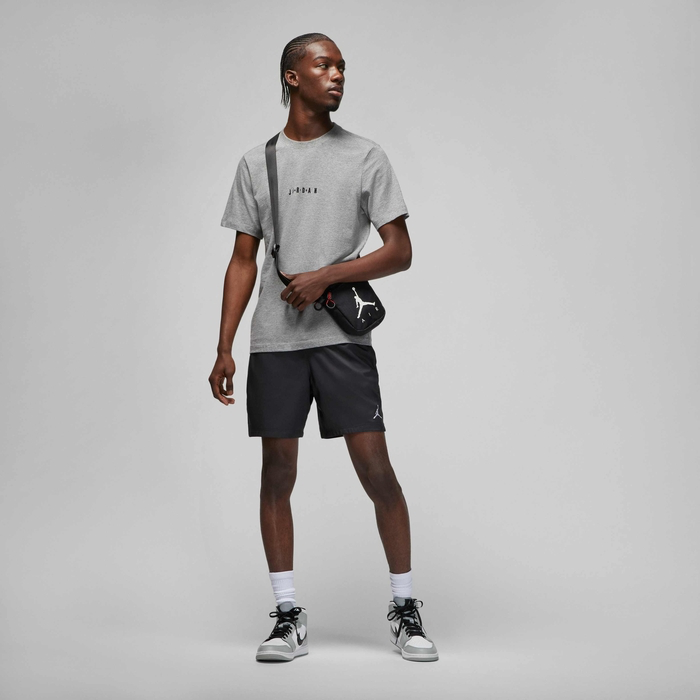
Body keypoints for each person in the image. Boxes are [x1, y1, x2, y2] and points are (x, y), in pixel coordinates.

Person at [209, 32, 438, 663]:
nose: (336, 74)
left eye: (341, 66)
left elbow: (400, 251)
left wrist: (326, 276)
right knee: (277, 474)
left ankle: (404, 606)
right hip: (275, 342)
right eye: (323, 64)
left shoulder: (365, 156)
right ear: (292, 77)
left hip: (342, 339)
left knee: (377, 472)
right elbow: (243, 259)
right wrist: (224, 346)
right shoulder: (257, 162)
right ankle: (287, 615)